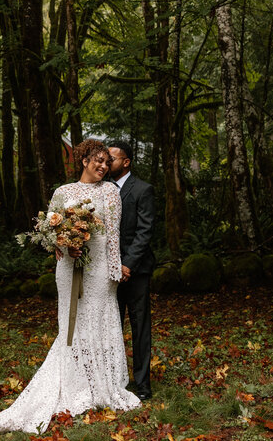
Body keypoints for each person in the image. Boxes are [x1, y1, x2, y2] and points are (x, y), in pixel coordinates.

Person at [0, 139, 140, 434]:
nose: (103, 166)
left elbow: (112, 235)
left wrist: (114, 270)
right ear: (84, 161)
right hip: (69, 269)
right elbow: (49, 234)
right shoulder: (63, 192)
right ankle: (73, 381)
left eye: (107, 163)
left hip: (98, 272)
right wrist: (65, 245)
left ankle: (100, 384)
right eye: (98, 161)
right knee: (72, 325)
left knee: (98, 322)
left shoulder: (110, 192)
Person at [107, 141, 156, 401]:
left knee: (140, 326)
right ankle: (113, 381)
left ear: (126, 162)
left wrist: (127, 264)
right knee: (110, 326)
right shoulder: (102, 189)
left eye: (112, 158)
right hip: (106, 272)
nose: (107, 163)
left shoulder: (143, 190)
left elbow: (145, 231)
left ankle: (143, 384)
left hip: (136, 271)